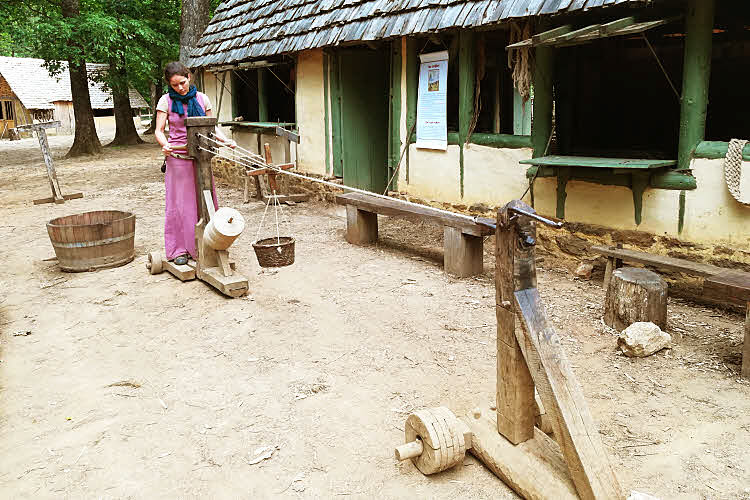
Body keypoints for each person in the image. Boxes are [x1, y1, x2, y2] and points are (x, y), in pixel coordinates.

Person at [154, 61, 235, 265]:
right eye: (175, 85)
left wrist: (225, 140)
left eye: (182, 82)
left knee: (205, 199)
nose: (180, 88)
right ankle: (180, 249)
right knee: (181, 204)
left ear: (188, 77)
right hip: (178, 157)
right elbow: (159, 130)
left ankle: (209, 243)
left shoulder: (202, 99)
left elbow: (211, 127)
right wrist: (165, 145)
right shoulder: (166, 101)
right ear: (169, 85)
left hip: (202, 155)